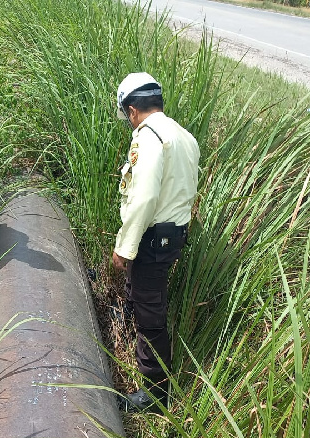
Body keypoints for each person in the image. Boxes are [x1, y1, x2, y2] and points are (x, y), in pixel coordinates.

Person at [111, 73, 200, 413]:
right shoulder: (182, 135)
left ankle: (155, 394)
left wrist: (125, 246)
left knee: (150, 314)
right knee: (146, 298)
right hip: (172, 235)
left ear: (132, 111)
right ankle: (142, 356)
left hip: (151, 236)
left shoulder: (148, 138)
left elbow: (145, 198)